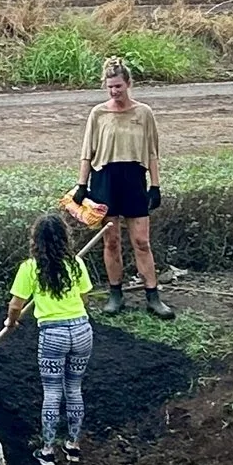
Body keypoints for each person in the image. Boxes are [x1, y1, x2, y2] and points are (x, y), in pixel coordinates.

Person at [0, 209, 94, 465]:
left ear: (36, 240)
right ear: (65, 237)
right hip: (82, 330)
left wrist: (11, 321)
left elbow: (15, 304)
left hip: (53, 334)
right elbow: (85, 298)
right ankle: (73, 446)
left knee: (52, 392)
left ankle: (48, 450)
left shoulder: (30, 268)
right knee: (74, 388)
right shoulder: (76, 263)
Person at [78, 54, 171, 318]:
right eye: (110, 87)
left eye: (118, 86)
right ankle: (115, 294)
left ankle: (152, 295)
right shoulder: (98, 114)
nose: (114, 91)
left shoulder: (144, 113)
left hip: (134, 179)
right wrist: (81, 185)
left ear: (128, 83)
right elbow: (87, 152)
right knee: (111, 241)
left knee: (141, 241)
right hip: (105, 179)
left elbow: (152, 152)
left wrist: (155, 185)